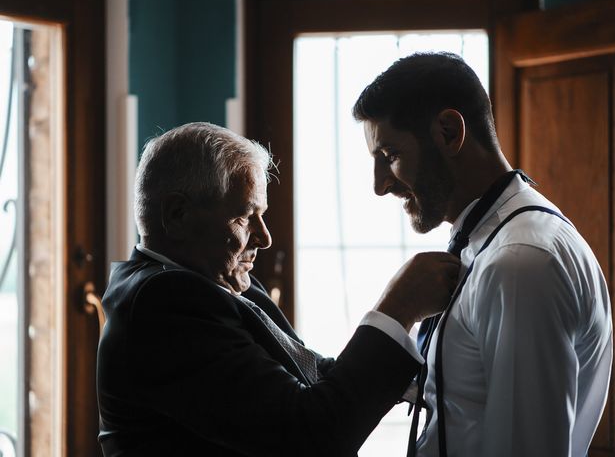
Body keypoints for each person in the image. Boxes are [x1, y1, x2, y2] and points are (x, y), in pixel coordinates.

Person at [96, 122, 460, 457]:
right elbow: (310, 436)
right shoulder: (161, 305)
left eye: (262, 215)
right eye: (243, 215)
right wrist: (396, 310)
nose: (265, 237)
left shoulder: (226, 282)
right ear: (177, 215)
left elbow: (311, 375)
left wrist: (429, 372)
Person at [352, 52, 612, 457]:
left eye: (390, 156)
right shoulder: (489, 242)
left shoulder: (521, 263)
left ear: (448, 131)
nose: (380, 185)